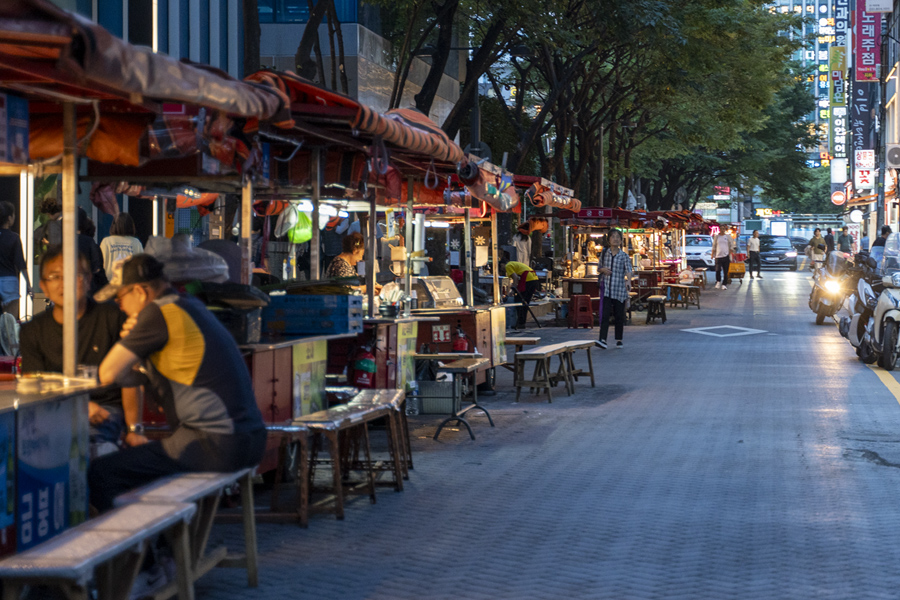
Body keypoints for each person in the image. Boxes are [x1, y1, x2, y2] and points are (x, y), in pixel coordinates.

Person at [89, 254, 266, 511]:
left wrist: (130, 338)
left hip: (215, 443)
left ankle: (142, 550)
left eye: (120, 298)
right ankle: (163, 545)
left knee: (101, 473)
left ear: (139, 291)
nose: (121, 307)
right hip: (248, 438)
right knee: (136, 465)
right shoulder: (188, 304)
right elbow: (134, 377)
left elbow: (107, 373)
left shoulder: (156, 313)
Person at [19, 246, 141, 458]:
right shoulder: (32, 330)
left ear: (87, 280)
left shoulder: (111, 317)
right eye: (55, 276)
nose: (64, 283)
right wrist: (80, 407)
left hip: (104, 412)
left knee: (90, 450)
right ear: (43, 287)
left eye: (73, 274)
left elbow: (130, 377)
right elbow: (35, 386)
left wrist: (133, 430)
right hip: (51, 413)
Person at [596, 228, 632, 349]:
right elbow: (599, 267)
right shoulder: (604, 253)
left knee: (619, 315)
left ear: (621, 241)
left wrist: (628, 281)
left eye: (618, 237)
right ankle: (602, 339)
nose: (615, 239)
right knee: (605, 315)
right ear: (609, 239)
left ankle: (619, 339)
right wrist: (603, 270)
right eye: (613, 237)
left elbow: (629, 270)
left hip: (619, 290)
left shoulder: (624, 256)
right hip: (607, 289)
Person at [0, 201, 31, 315]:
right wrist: (29, 285)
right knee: (10, 321)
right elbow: (21, 264)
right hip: (9, 281)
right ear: (9, 218)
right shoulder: (14, 238)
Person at [100, 213, 143, 280]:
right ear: (131, 226)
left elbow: (101, 263)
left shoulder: (106, 241)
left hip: (110, 282)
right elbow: (141, 264)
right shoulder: (136, 242)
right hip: (129, 283)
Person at [503, 260, 539, 329]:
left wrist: (513, 290)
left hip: (528, 280)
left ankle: (519, 322)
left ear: (502, 265)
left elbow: (515, 278)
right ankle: (522, 323)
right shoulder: (514, 264)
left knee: (519, 301)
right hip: (534, 279)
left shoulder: (508, 266)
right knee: (525, 302)